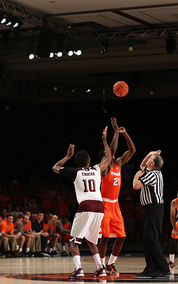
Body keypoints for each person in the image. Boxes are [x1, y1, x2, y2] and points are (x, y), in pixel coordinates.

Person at [52, 126, 112, 279]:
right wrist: (105, 141)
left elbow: (55, 167)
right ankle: (100, 268)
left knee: (73, 241)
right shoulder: (96, 169)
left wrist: (67, 156)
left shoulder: (75, 172)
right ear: (89, 161)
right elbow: (109, 159)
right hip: (99, 206)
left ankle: (78, 269)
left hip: (86, 205)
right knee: (91, 240)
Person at [98, 118, 136, 275]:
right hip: (104, 205)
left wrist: (121, 133)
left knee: (121, 236)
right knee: (105, 238)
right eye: (109, 154)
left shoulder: (118, 164)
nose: (112, 154)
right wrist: (105, 140)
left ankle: (110, 264)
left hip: (115, 205)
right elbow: (109, 152)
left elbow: (132, 150)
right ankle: (100, 265)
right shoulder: (103, 168)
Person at [132, 150, 170, 278]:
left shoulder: (153, 174)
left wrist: (136, 176)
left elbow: (136, 186)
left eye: (150, 159)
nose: (147, 160)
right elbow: (142, 165)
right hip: (151, 209)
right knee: (148, 238)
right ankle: (151, 267)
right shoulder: (154, 172)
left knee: (152, 238)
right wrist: (150, 153)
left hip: (154, 209)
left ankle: (163, 268)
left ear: (152, 164)